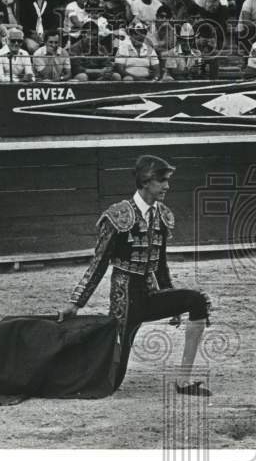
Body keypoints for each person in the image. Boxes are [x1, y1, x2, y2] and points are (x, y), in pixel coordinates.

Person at [57, 155, 214, 397]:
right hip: (125, 300)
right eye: (162, 181)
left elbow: (160, 266)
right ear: (146, 181)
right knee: (110, 382)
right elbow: (98, 264)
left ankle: (184, 381)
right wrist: (76, 302)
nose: (167, 186)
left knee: (197, 300)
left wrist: (171, 301)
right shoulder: (118, 216)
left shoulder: (162, 215)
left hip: (150, 295)